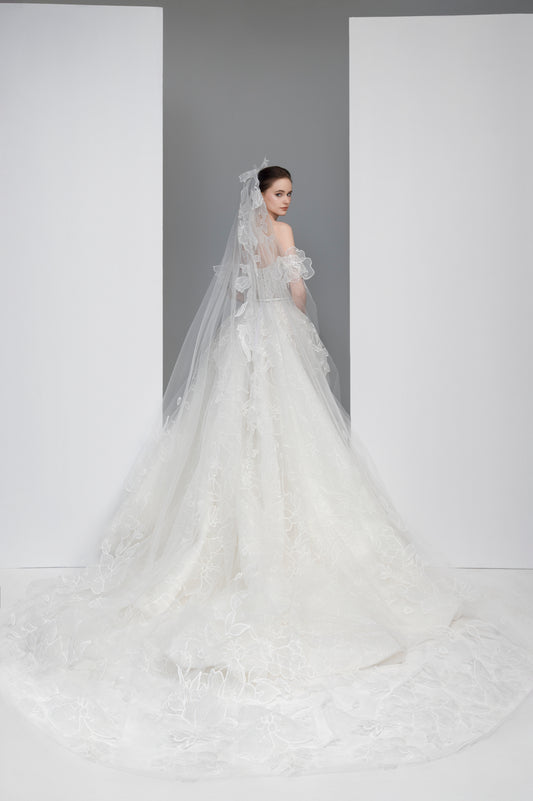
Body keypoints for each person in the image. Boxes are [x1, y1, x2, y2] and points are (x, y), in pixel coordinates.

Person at [0, 158, 532, 781]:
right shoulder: (280, 233)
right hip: (275, 335)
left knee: (239, 436)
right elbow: (297, 290)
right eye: (279, 193)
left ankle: (229, 537)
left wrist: (268, 304)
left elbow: (236, 293)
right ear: (262, 193)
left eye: (289, 194)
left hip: (245, 337)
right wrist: (299, 318)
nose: (286, 201)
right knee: (290, 437)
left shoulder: (244, 230)